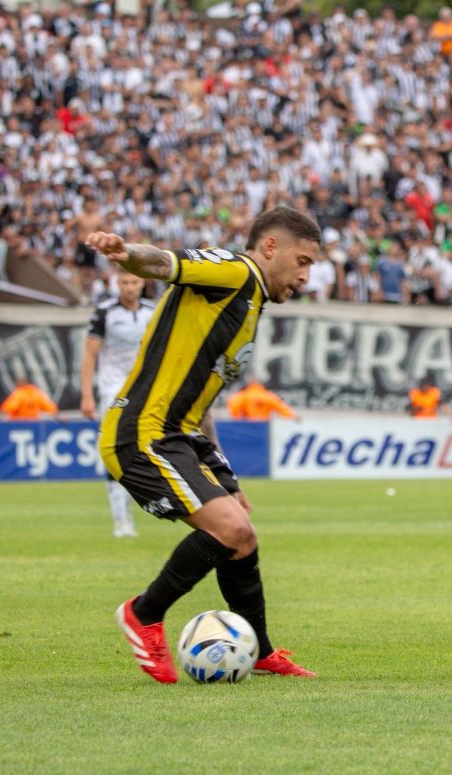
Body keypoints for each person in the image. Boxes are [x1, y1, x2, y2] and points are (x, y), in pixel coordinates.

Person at [86, 206, 321, 684]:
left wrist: (222, 473)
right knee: (231, 530)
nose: (305, 275)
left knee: (242, 536)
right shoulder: (233, 271)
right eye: (302, 261)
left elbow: (200, 398)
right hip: (142, 433)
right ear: (270, 247)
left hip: (181, 436)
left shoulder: (249, 302)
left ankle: (259, 651)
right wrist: (127, 253)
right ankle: (143, 613)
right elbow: (162, 264)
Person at [80, 269, 156, 538]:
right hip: (113, 390)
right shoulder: (104, 312)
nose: (129, 287)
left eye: (134, 282)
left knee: (142, 451)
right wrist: (87, 394)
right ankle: (121, 520)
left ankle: (141, 507)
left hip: (144, 389)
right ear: (117, 284)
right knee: (114, 450)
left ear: (142, 283)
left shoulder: (153, 311)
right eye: (124, 282)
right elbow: (90, 354)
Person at [227, 379, 299, 421]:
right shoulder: (268, 396)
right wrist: (294, 417)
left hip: (248, 424)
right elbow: (283, 408)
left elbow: (234, 405)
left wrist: (238, 419)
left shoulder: (243, 395)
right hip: (264, 425)